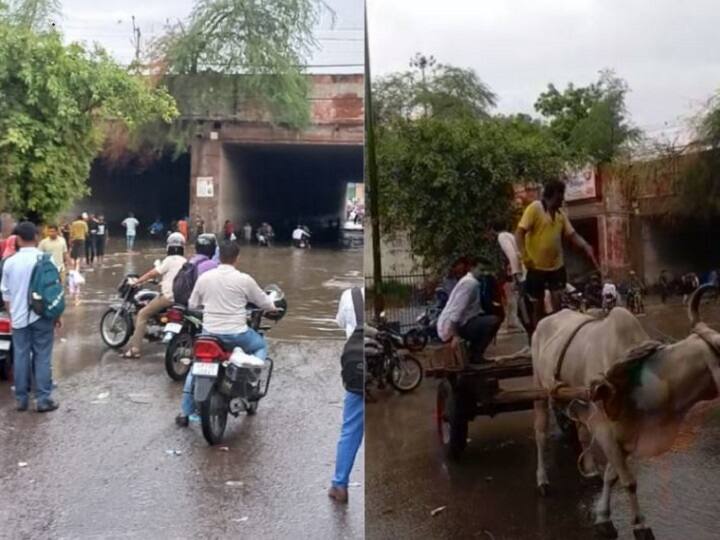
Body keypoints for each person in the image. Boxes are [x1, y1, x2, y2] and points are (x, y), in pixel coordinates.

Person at [176, 241, 277, 426]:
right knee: (260, 346)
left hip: (209, 334)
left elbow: (192, 304)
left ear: (219, 256)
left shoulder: (204, 278)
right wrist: (272, 307)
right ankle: (252, 382)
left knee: (196, 366)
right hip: (237, 333)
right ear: (237, 258)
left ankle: (184, 412)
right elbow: (264, 302)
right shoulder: (244, 279)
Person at [515, 180, 599, 330]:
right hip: (535, 267)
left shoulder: (560, 214)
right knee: (537, 307)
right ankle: (537, 336)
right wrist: (524, 255)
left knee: (558, 303)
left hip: (556, 266)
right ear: (552, 195)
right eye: (560, 196)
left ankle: (558, 332)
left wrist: (586, 246)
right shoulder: (535, 208)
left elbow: (572, 235)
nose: (562, 199)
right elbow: (519, 233)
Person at [0, 222, 61, 412]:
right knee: (42, 356)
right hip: (42, 316)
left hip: (18, 318)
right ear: (36, 237)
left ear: (17, 239)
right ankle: (43, 399)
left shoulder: (9, 263)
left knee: (20, 356)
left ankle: (21, 399)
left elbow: (6, 294)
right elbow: (54, 291)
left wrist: (12, 315)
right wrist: (56, 315)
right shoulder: (45, 260)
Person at [122, 232, 186, 358]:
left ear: (169, 247)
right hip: (181, 298)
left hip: (168, 298)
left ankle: (134, 350)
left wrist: (138, 281)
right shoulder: (185, 261)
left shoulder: (169, 260)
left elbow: (153, 273)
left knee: (142, 314)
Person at [328, 286, 365, 504]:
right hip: (381, 368)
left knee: (350, 430)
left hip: (357, 369)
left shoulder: (349, 295)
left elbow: (341, 322)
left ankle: (340, 485)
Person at [437, 257, 503, 364]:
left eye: (486, 271)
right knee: (493, 321)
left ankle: (473, 353)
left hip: (458, 323)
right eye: (481, 270)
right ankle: (475, 355)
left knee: (488, 319)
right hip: (452, 327)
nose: (484, 273)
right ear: (472, 268)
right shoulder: (470, 284)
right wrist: (455, 336)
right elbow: (456, 312)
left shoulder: (471, 282)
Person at [491, 221, 525, 332]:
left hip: (510, 272)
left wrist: (514, 272)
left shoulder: (502, 237)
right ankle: (512, 320)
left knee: (511, 296)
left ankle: (513, 320)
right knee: (513, 296)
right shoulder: (510, 235)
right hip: (516, 269)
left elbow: (510, 253)